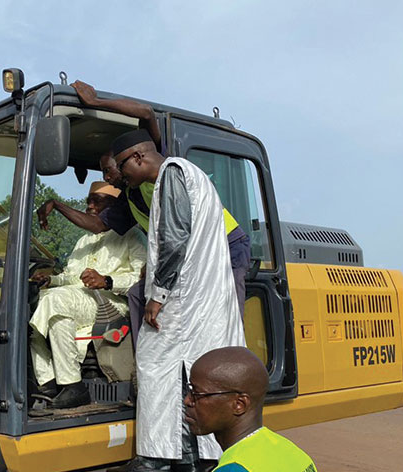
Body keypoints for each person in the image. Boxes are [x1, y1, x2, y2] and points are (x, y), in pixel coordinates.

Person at [38, 81, 251, 344]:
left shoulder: (165, 168)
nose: (108, 178)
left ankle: (230, 369)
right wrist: (57, 206)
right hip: (184, 256)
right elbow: (96, 224)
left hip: (224, 245)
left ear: (136, 158)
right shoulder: (131, 195)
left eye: (110, 170)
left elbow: (147, 114)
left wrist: (95, 103)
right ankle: (149, 366)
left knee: (222, 320)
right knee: (140, 294)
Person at [105, 129, 245, 472]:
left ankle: (154, 460)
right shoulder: (191, 175)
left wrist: (158, 296)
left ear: (138, 157)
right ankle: (195, 460)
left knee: (155, 365)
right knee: (195, 377)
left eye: (123, 168)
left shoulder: (172, 175)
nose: (124, 178)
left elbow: (175, 237)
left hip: (184, 298)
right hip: (203, 297)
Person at [29, 181, 146, 408]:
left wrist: (107, 280)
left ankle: (72, 384)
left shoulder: (133, 236)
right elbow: (69, 276)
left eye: (97, 201)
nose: (90, 206)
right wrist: (50, 279)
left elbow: (141, 279)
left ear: (113, 206)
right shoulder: (84, 240)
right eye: (88, 201)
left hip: (110, 304)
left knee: (54, 300)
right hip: (76, 299)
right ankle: (51, 381)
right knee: (30, 304)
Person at [184, 347, 325, 472]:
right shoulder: (292, 453)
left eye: (197, 393)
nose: (187, 401)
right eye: (189, 390)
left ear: (239, 404)